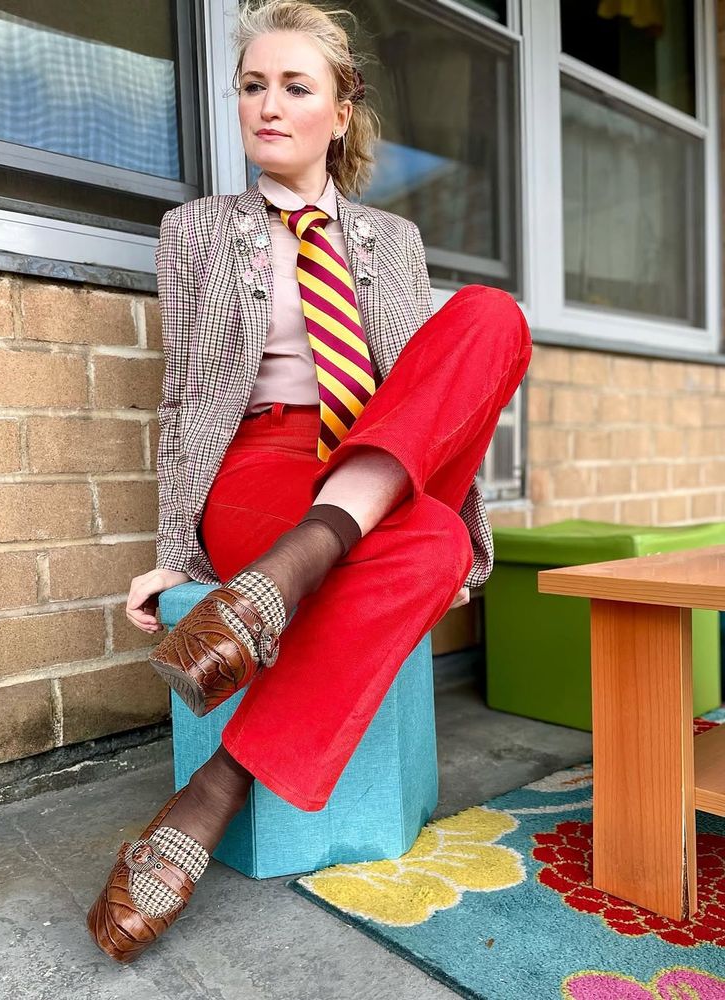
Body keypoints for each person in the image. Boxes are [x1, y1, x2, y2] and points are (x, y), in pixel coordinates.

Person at [86, 0, 532, 963]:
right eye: (253, 86)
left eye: (296, 87)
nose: (268, 106)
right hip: (260, 467)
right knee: (426, 542)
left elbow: (434, 408)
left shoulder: (393, 243)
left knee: (491, 321)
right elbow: (186, 397)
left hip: (368, 458)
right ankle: (271, 582)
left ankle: (214, 788)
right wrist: (173, 556)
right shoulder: (197, 230)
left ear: (342, 111)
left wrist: (473, 530)